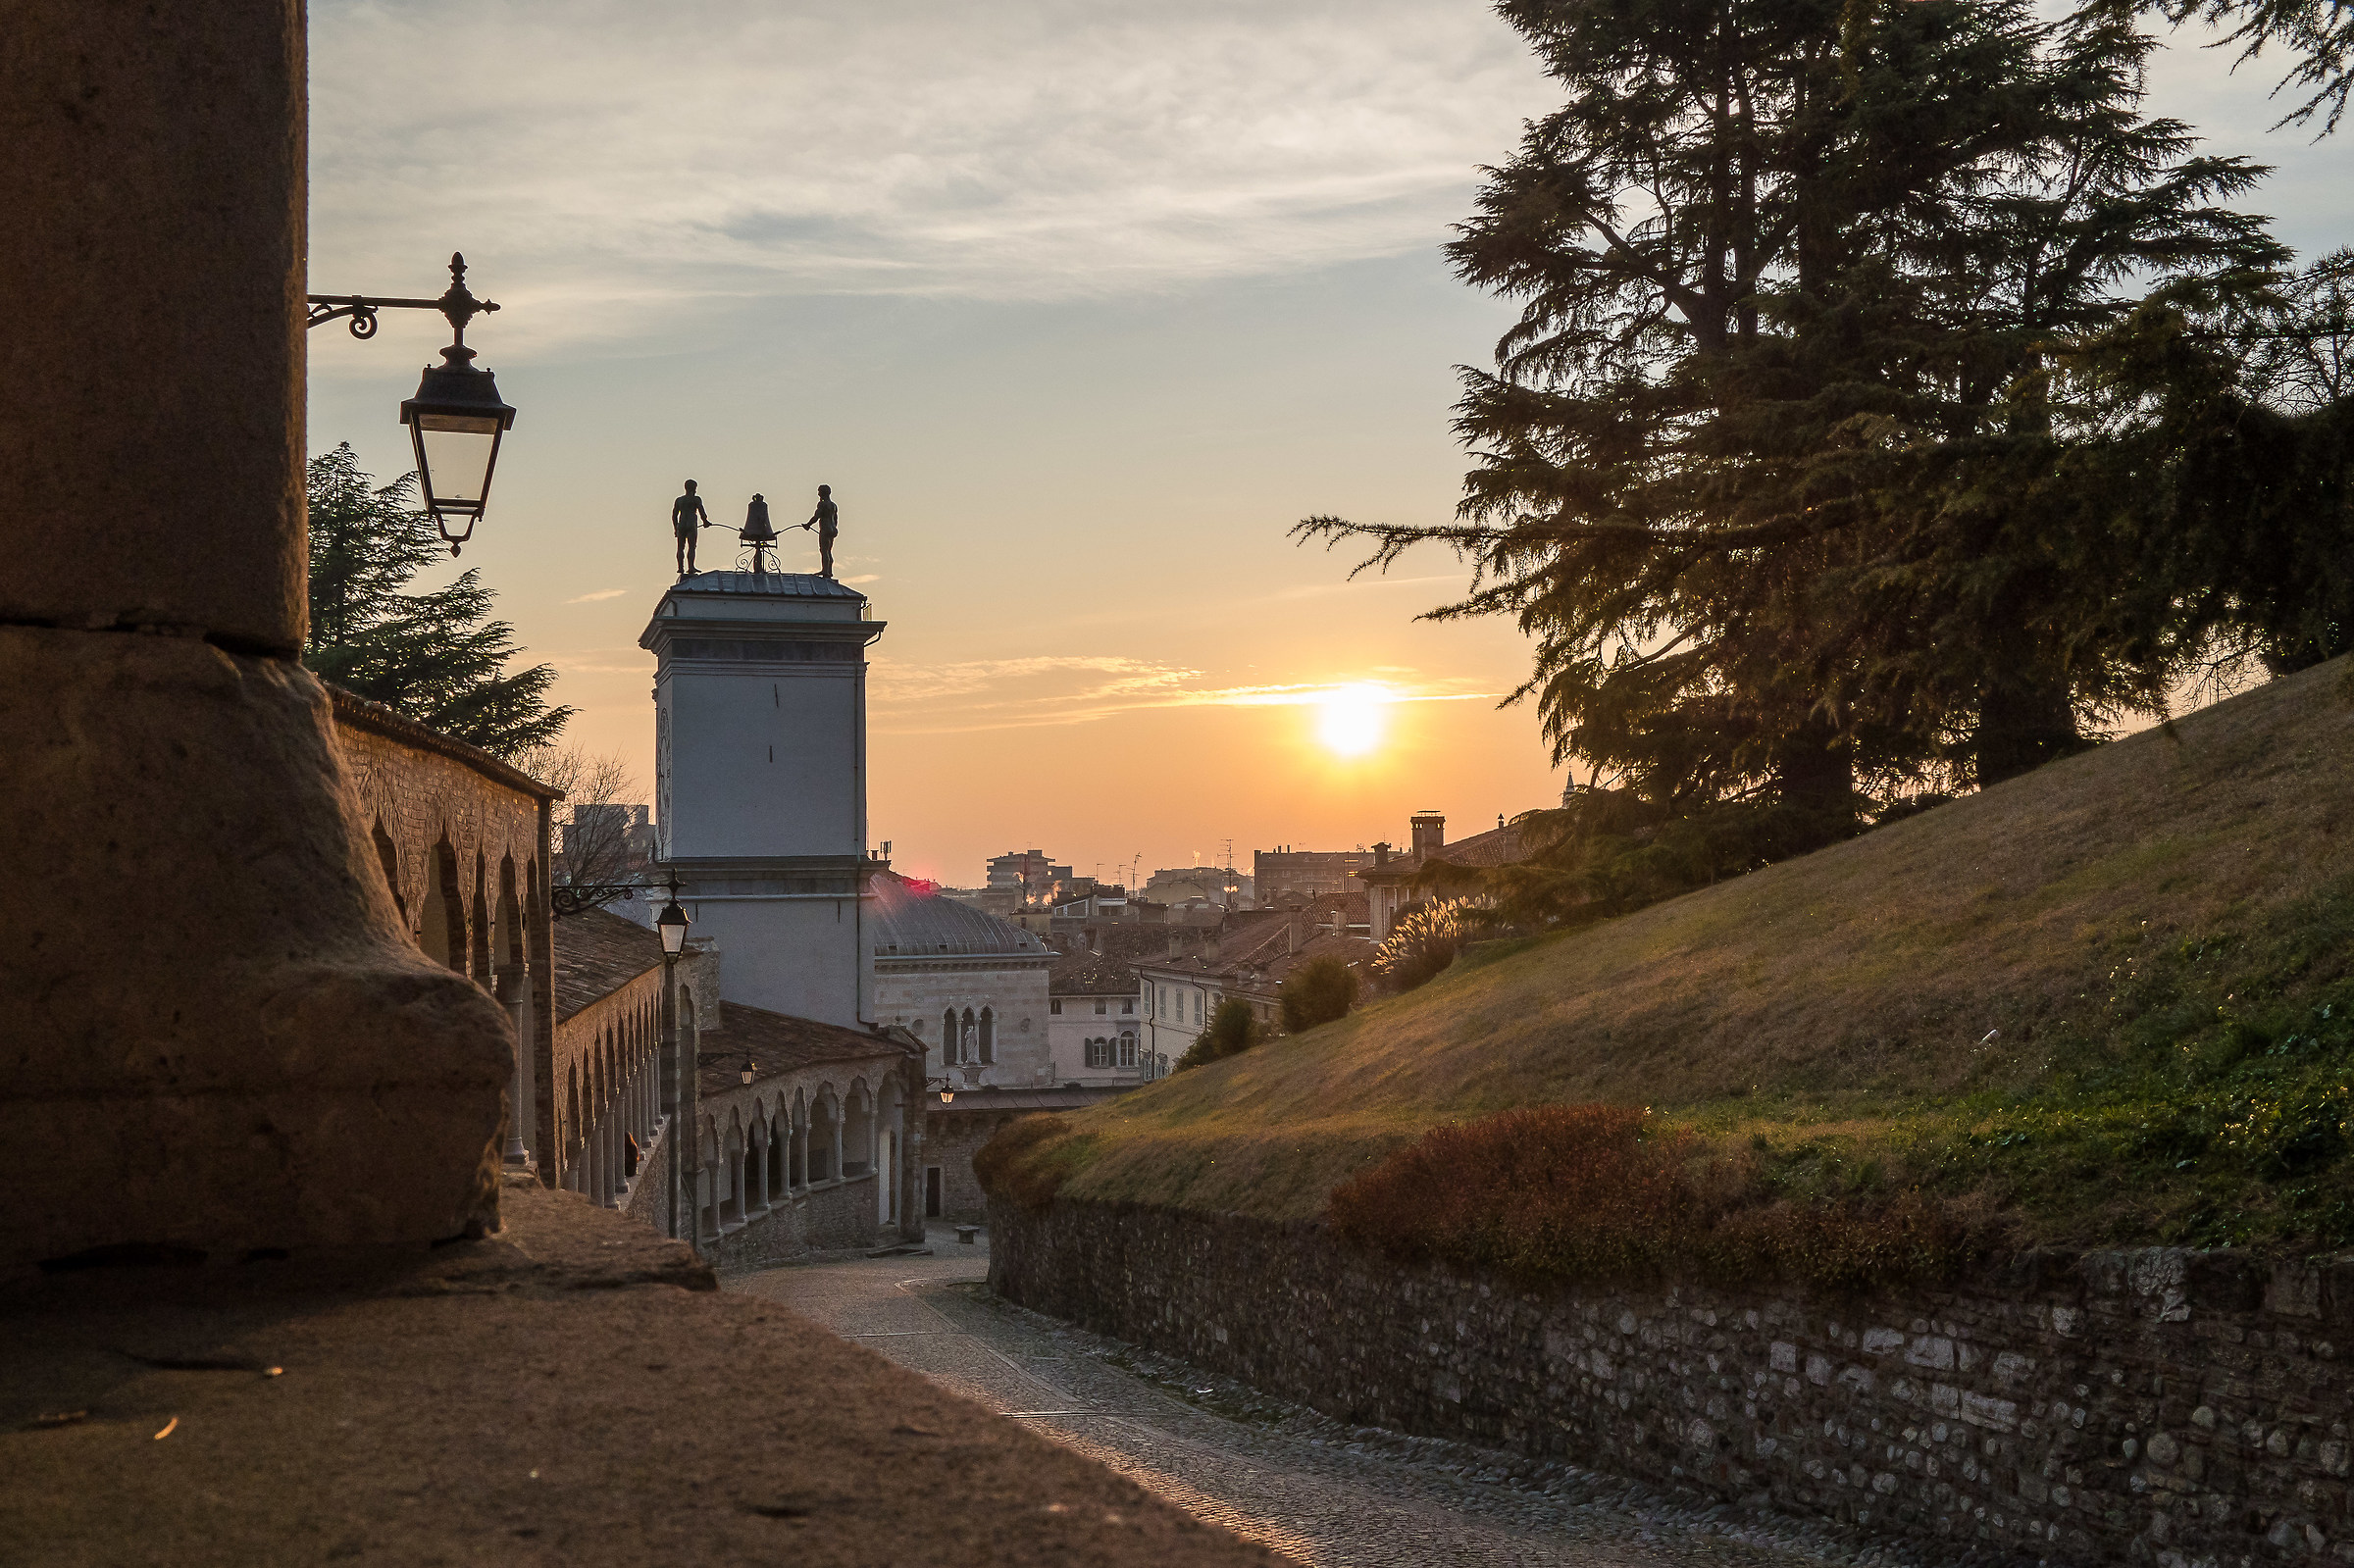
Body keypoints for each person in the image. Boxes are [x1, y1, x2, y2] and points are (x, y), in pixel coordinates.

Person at [672, 481, 711, 576]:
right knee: (692, 546)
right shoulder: (696, 499)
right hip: (691, 524)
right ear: (694, 488)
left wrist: (676, 528)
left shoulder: (679, 500)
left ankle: (680, 567)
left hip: (681, 525)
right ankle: (691, 567)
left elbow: (674, 515)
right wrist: (706, 522)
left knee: (680, 547)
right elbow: (702, 512)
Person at [802, 483, 840, 579]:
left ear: (822, 493)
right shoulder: (833, 505)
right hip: (833, 529)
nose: (818, 494)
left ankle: (825, 570)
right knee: (829, 550)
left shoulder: (822, 504)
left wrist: (808, 525)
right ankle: (829, 570)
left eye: (819, 491)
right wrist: (834, 528)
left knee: (824, 550)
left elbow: (816, 516)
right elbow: (835, 519)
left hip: (825, 529)